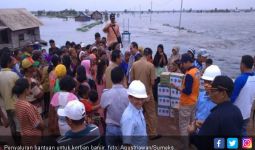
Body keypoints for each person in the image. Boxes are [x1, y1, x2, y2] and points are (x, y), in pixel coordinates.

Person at [192, 76, 243, 150]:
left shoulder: (215, 116)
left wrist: (192, 132)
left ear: (223, 93)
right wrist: (207, 126)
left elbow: (201, 143)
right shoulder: (237, 111)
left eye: (212, 90)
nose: (210, 93)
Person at [170, 53, 200, 149]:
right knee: (192, 124)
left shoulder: (189, 74)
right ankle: (192, 143)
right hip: (194, 101)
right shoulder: (196, 71)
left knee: (183, 126)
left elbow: (187, 91)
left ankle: (185, 146)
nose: (182, 65)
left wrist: (177, 87)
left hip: (186, 103)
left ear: (187, 62)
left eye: (183, 63)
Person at [131, 48, 160, 139]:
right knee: (151, 113)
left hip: (136, 93)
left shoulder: (134, 64)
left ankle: (135, 132)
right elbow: (152, 82)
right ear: (149, 55)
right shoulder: (150, 66)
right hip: (147, 93)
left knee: (136, 113)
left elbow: (132, 80)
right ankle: (152, 133)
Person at [100, 67, 129, 146]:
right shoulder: (129, 94)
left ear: (111, 79)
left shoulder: (106, 94)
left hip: (111, 128)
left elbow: (102, 108)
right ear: (123, 78)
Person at [188, 65, 221, 134]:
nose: (206, 84)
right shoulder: (201, 95)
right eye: (205, 81)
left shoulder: (220, 101)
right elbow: (197, 112)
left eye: (210, 82)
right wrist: (193, 125)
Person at [13, 78, 44, 146]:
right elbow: (36, 124)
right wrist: (43, 125)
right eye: (29, 87)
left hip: (24, 135)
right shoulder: (27, 106)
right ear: (25, 90)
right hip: (33, 137)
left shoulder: (17, 103)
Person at [231, 55, 255, 136]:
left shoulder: (240, 79)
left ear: (243, 65)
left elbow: (232, 97)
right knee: (244, 131)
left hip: (237, 113)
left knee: (234, 132)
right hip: (247, 112)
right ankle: (246, 146)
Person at [0, 50, 20, 145]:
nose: (13, 62)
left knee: (12, 126)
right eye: (12, 61)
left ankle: (16, 144)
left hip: (6, 105)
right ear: (8, 62)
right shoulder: (14, 75)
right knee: (19, 126)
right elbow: (21, 87)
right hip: (16, 104)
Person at [121, 80, 148, 147]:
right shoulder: (129, 117)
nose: (140, 102)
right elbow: (127, 144)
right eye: (137, 99)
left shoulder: (138, 110)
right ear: (130, 98)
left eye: (142, 99)